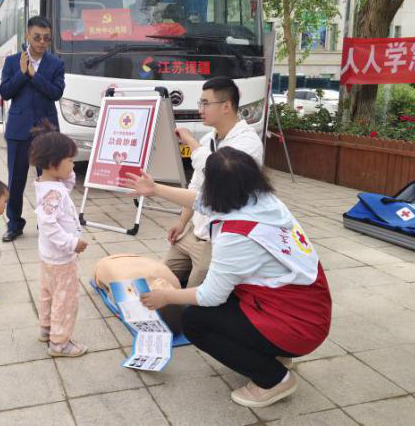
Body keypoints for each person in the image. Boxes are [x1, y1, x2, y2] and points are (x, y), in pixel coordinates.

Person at [124, 147, 331, 409]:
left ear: (216, 188)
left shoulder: (237, 235)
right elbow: (201, 202)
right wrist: (154, 189)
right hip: (306, 310)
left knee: (196, 321)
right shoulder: (262, 201)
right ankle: (277, 354)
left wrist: (166, 296)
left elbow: (210, 296)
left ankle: (274, 379)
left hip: (298, 326)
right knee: (222, 302)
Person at [166, 76, 264, 289]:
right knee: (160, 278)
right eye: (200, 103)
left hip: (220, 241)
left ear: (226, 106)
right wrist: (182, 223)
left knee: (193, 297)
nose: (200, 109)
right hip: (195, 233)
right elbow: (195, 187)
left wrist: (190, 142)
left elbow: (217, 173)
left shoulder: (247, 143)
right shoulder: (207, 140)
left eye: (205, 103)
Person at [0, 15, 65, 242]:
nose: (42, 42)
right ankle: (14, 224)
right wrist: (21, 73)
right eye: (37, 37)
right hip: (19, 130)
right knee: (16, 180)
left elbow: (56, 93)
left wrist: (34, 76)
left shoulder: (56, 64)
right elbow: (5, 92)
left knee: (48, 180)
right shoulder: (12, 62)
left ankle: (47, 223)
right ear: (27, 35)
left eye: (46, 38)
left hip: (46, 131)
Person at [31, 126, 88, 357]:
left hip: (49, 257)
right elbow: (48, 225)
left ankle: (46, 330)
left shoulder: (48, 185)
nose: (73, 165)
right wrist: (71, 243)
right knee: (65, 300)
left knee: (48, 294)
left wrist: (67, 171)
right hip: (62, 258)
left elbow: (67, 185)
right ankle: (60, 344)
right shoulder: (54, 193)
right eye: (70, 160)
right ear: (54, 164)